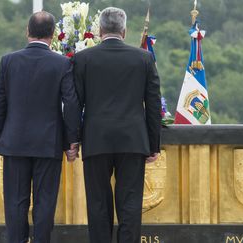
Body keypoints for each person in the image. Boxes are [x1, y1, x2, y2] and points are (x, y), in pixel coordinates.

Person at [72, 7, 162, 243]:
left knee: (98, 204)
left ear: (100, 30)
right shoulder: (144, 58)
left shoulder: (83, 59)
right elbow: (152, 104)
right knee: (130, 204)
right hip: (133, 140)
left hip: (96, 139)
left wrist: (73, 139)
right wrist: (154, 145)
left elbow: (74, 104)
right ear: (124, 30)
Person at [0, 11, 80, 243]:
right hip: (48, 143)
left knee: (15, 202)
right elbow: (71, 104)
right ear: (53, 35)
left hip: (14, 142)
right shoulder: (63, 63)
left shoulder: (8, 61)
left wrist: (0, 138)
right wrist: (72, 140)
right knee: (45, 202)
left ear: (27, 31)